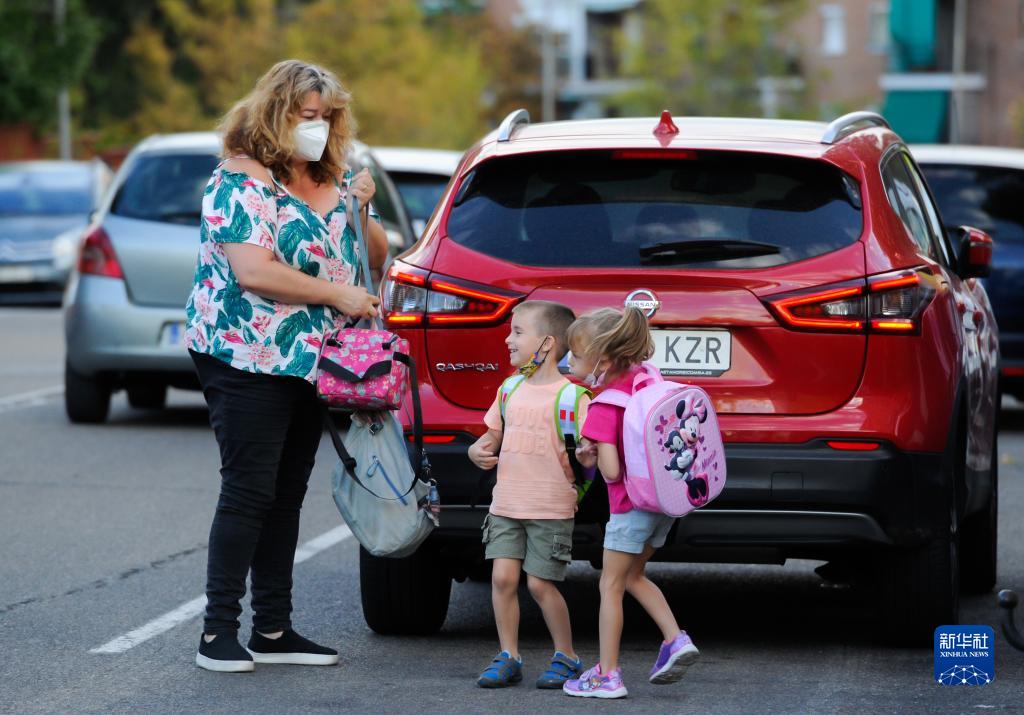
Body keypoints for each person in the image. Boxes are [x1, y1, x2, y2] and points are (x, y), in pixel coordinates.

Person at [184, 60, 387, 673]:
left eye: (326, 116)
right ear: (275, 114)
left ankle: (273, 629)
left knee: (287, 494)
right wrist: (338, 295)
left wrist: (362, 207)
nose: (317, 126)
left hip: (313, 359)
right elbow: (253, 271)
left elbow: (375, 254)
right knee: (249, 489)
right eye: (306, 115)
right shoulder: (239, 180)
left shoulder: (335, 176)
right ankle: (217, 633)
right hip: (245, 352)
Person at [562, 307, 700, 699]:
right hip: (664, 504)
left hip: (629, 507)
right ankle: (675, 639)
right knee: (634, 576)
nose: (570, 361)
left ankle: (608, 675)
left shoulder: (604, 405)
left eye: (576, 355)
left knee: (610, 585)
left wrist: (589, 454)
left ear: (603, 361)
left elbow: (610, 472)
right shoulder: (647, 378)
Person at [467, 300, 589, 689]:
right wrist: (476, 450)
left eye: (518, 332)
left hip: (550, 507)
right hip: (506, 504)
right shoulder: (510, 389)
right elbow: (492, 436)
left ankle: (566, 655)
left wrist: (590, 453)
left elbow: (589, 452)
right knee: (502, 579)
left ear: (547, 343)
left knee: (539, 584)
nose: (508, 339)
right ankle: (509, 655)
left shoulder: (572, 397)